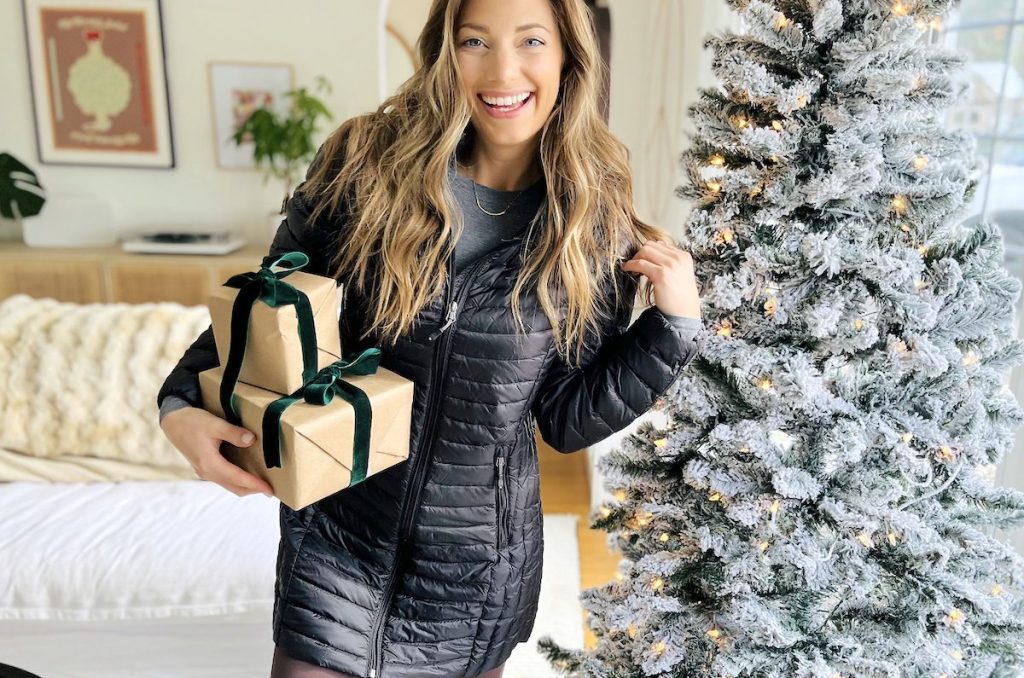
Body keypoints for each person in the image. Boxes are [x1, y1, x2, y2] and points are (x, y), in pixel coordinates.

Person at [157, 0, 703, 675]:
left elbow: (563, 418)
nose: (502, 69)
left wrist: (670, 331)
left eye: (531, 41)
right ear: (446, 50)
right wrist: (179, 403)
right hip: (335, 535)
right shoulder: (363, 165)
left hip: (473, 575)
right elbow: (272, 303)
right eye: (475, 40)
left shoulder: (592, 225)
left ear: (569, 56)